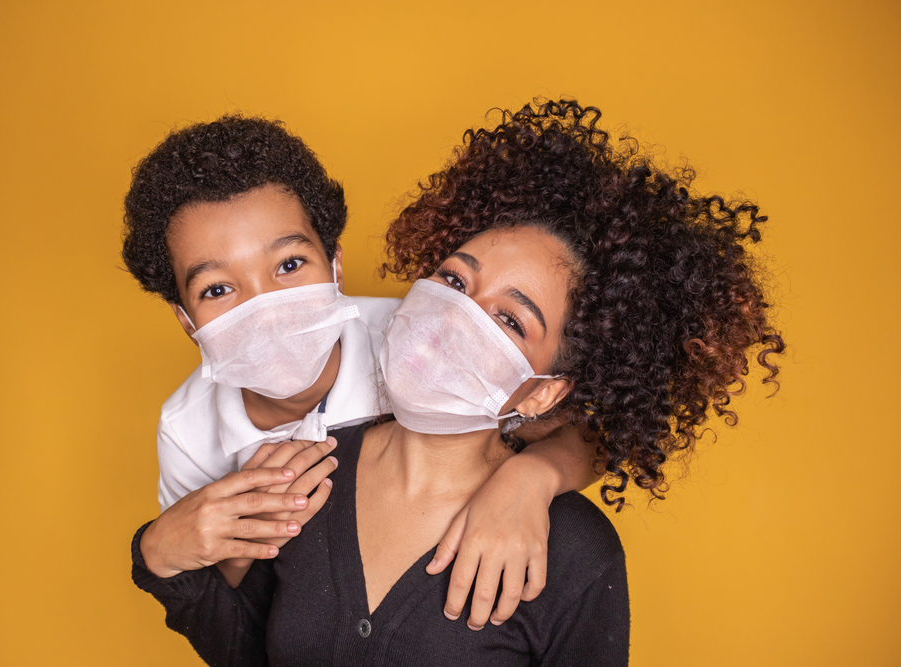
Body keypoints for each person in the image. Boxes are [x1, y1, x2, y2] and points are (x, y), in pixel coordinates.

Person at [130, 99, 785, 665]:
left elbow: (596, 430)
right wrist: (158, 553)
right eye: (451, 280)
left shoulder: (574, 551)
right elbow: (251, 640)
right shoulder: (288, 472)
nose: (451, 323)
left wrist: (532, 478)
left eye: (508, 317)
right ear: (187, 318)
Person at [122, 115, 601, 624]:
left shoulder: (420, 343)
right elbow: (228, 609)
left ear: (335, 267)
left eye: (288, 265)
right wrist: (181, 548)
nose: (266, 306)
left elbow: (585, 432)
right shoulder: (186, 432)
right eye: (217, 289)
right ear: (186, 320)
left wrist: (531, 478)